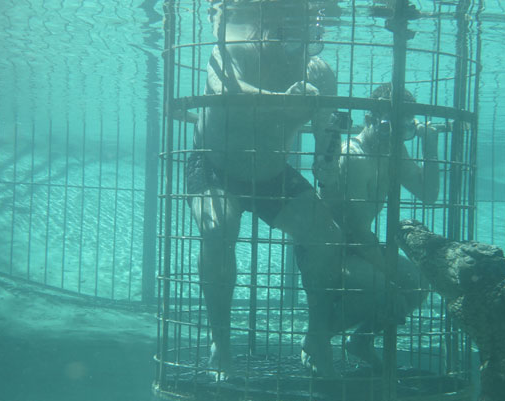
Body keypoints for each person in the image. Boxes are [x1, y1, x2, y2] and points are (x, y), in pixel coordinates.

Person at [187, 0, 344, 377]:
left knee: (328, 235)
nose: (301, 48)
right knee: (217, 228)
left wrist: (328, 154)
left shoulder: (319, 73)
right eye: (290, 38)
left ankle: (317, 336)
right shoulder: (230, 45)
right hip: (215, 165)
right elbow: (227, 89)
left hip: (272, 173)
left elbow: (328, 130)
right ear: (267, 30)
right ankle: (220, 342)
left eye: (310, 39)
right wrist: (287, 103)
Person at [315, 83, 445, 369]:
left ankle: (361, 340)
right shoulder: (355, 156)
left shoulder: (393, 150)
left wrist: (430, 146)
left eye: (403, 130)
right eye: (388, 128)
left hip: (360, 246)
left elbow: (429, 194)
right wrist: (391, 281)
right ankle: (317, 338)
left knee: (419, 283)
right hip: (330, 250)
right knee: (384, 290)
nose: (394, 137)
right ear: (369, 120)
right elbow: (356, 228)